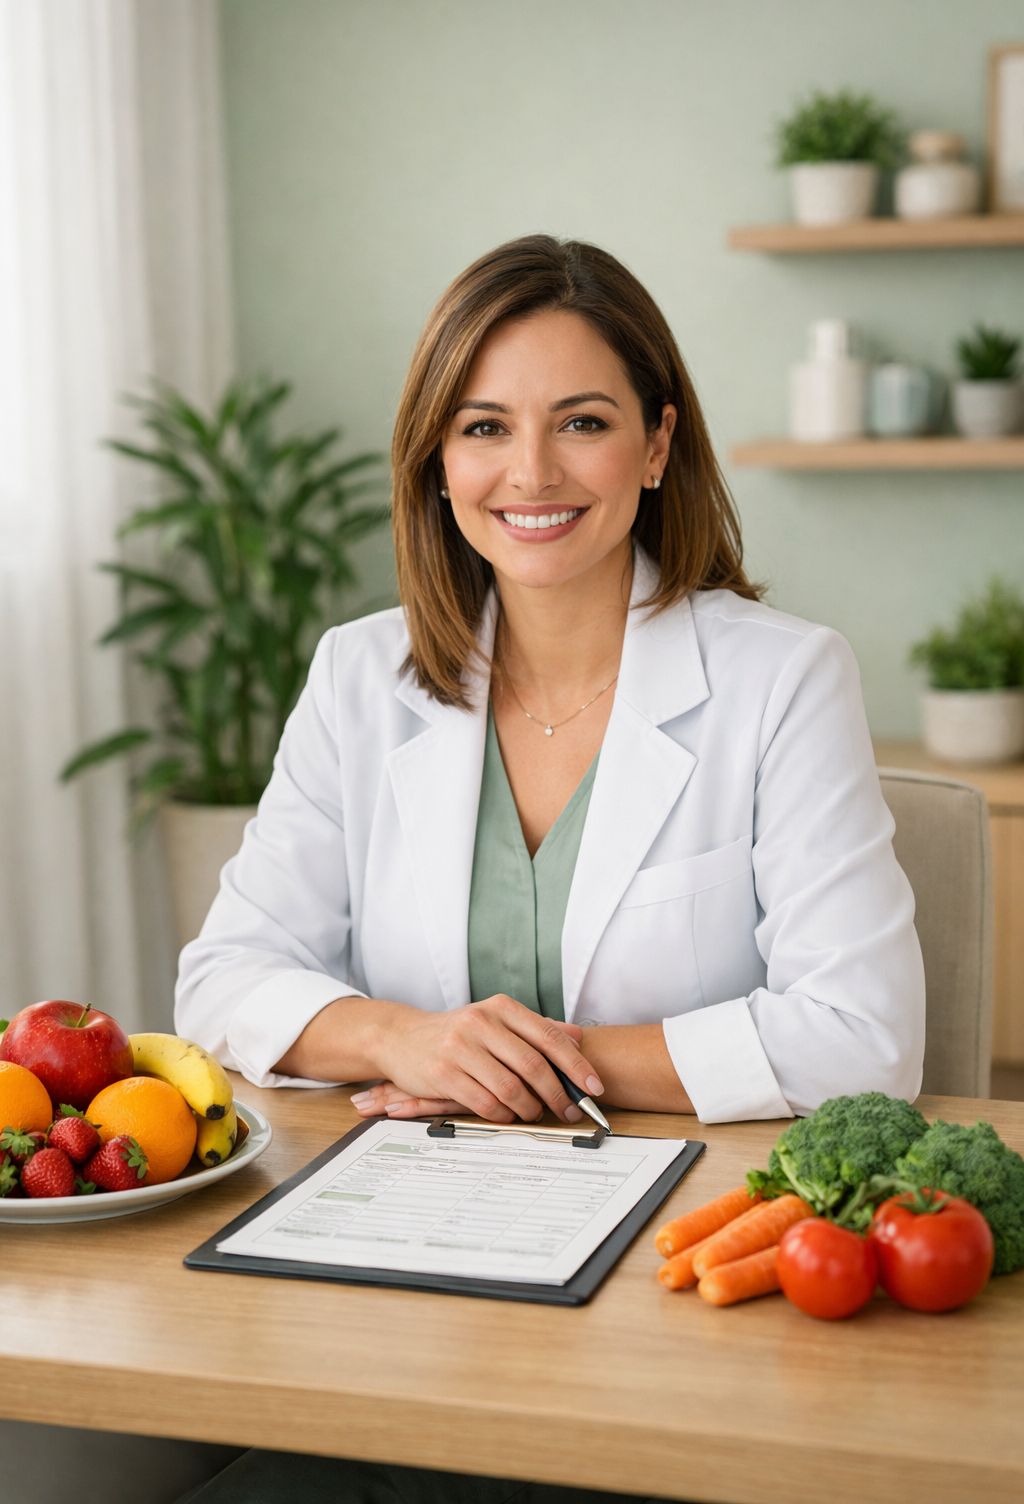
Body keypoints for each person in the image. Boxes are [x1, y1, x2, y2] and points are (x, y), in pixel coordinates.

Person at [174, 235, 924, 1504]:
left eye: (581, 421)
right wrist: (411, 1041)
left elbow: (863, 1037)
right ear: (436, 458)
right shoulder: (359, 677)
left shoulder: (783, 679)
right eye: (484, 427)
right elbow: (223, 980)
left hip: (678, 1302)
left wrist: (535, 1064)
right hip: (399, 1290)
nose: (529, 473)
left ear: (657, 443)